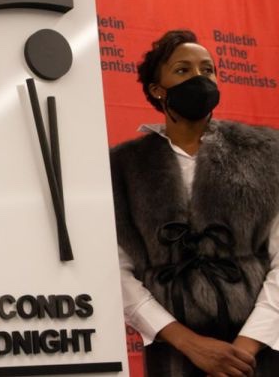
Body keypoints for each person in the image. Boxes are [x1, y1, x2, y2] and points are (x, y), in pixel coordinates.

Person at [111, 29, 279, 376]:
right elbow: (117, 270)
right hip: (175, 354)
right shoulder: (124, 166)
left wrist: (245, 348)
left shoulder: (264, 154)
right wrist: (189, 343)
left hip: (258, 354)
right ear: (157, 90)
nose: (199, 78)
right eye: (182, 70)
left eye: (207, 69)